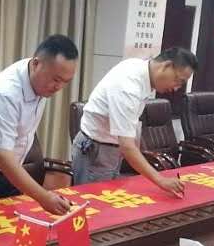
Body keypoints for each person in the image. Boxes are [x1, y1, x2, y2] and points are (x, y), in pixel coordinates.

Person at [0, 35, 78, 215]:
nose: (59, 87)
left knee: (14, 222)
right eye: (56, 79)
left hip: (11, 169)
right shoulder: (5, 94)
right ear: (36, 64)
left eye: (66, 82)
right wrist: (43, 196)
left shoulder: (39, 79)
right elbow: (2, 156)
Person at [71, 47, 197, 196]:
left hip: (110, 148)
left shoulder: (140, 71)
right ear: (166, 66)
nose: (176, 88)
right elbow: (127, 146)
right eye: (178, 80)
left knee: (108, 201)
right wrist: (161, 180)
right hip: (97, 151)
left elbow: (130, 129)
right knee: (94, 204)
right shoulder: (128, 86)